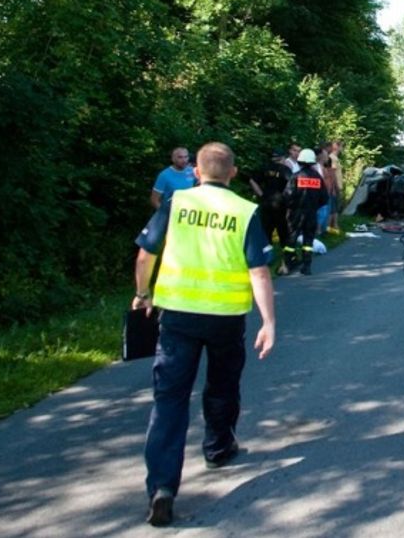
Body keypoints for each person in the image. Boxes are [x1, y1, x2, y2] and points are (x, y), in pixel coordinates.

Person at [131, 142, 276, 527]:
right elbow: (258, 271)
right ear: (232, 172)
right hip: (226, 317)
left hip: (177, 315)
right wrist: (269, 322)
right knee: (222, 385)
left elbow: (145, 254)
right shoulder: (246, 211)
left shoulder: (176, 202)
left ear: (195, 171)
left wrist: (143, 294)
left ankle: (162, 487)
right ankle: (217, 447)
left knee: (170, 400)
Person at [282, 148, 325, 275]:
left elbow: (287, 196)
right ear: (312, 162)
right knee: (308, 240)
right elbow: (324, 198)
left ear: (300, 161)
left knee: (291, 240)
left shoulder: (295, 177)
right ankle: (307, 266)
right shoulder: (318, 178)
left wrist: (291, 207)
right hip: (311, 214)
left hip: (296, 213)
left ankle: (287, 265)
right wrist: (314, 206)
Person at [248, 149, 291, 249]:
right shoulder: (285, 170)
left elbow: (252, 180)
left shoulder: (265, 168)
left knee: (266, 229)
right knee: (283, 230)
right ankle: (286, 255)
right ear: (282, 158)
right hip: (280, 204)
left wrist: (261, 194)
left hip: (266, 202)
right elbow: (291, 186)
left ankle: (266, 254)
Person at [326, 140, 344, 233]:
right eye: (341, 146)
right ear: (336, 147)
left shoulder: (335, 158)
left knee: (335, 206)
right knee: (332, 206)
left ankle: (334, 225)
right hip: (334, 187)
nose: (342, 149)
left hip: (337, 186)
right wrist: (336, 187)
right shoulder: (332, 158)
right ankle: (330, 226)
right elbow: (332, 174)